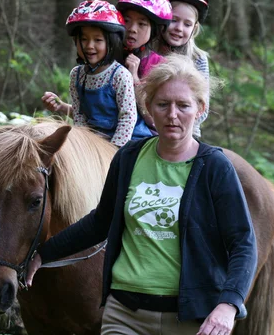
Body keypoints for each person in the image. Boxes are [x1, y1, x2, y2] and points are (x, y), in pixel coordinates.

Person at [27, 54, 257, 335]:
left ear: (200, 109)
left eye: (183, 105)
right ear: (148, 108)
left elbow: (243, 244)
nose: (172, 115)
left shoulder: (215, 167)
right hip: (125, 314)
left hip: (191, 318)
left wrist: (229, 304)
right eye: (163, 104)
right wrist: (43, 254)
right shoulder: (128, 158)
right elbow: (101, 221)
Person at [42, 0, 151, 147]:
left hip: (127, 141)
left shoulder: (120, 75)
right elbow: (80, 115)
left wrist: (114, 150)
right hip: (96, 140)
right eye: (84, 39)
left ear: (111, 42)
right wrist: (84, 143)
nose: (89, 46)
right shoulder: (77, 75)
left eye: (98, 40)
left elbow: (127, 117)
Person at [159, 0, 211, 137]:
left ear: (194, 28)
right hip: (145, 125)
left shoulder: (198, 59)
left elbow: (204, 107)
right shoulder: (147, 52)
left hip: (185, 131)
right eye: (173, 20)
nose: (179, 28)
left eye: (187, 24)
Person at [116, 0, 172, 84]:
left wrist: (134, 79)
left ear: (154, 30)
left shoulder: (159, 65)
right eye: (126, 20)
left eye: (142, 24)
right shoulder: (107, 56)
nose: (132, 29)